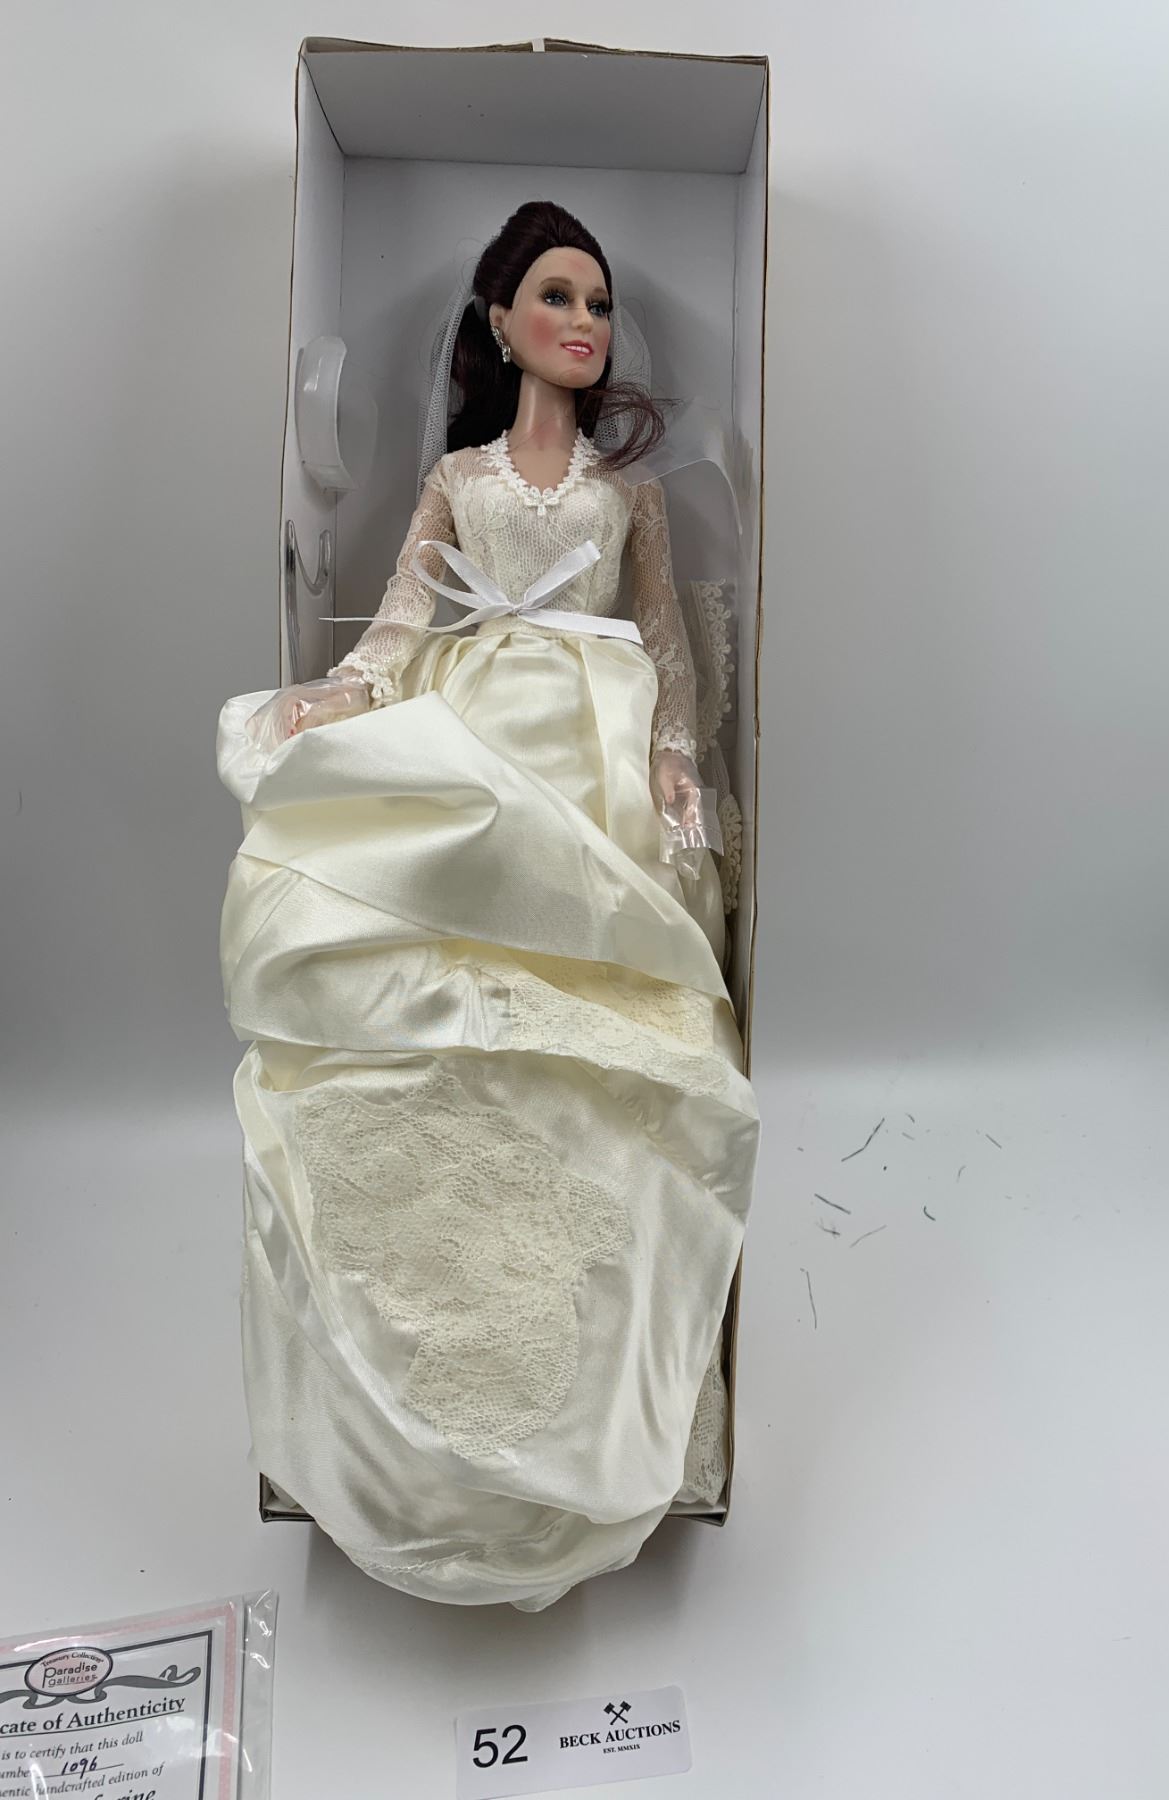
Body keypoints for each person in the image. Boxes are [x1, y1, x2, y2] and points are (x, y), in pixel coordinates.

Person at [215, 201, 758, 1609]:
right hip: (478, 712)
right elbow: (403, 622)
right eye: (557, 298)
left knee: (603, 993)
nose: (584, 324)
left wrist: (676, 757)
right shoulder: (458, 478)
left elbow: (664, 640)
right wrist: (338, 693)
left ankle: (592, 1327)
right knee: (448, 956)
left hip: (596, 733)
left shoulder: (628, 493)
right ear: (501, 319)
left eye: (600, 304)